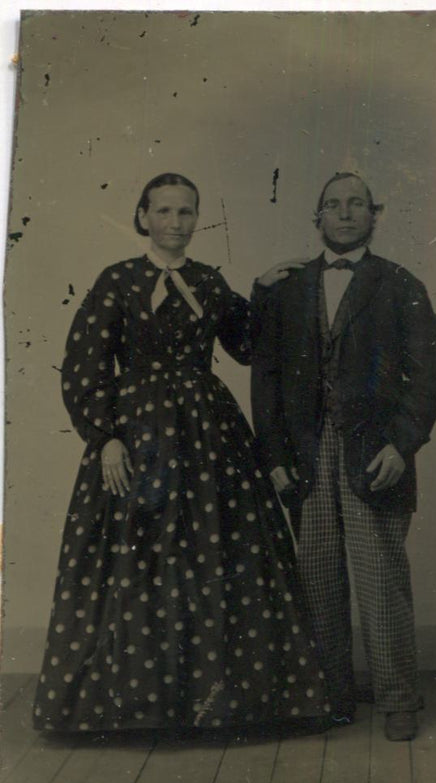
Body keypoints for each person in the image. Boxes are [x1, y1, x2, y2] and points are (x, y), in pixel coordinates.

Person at [33, 172, 330, 734]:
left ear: (197, 219)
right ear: (143, 216)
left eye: (186, 212)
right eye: (164, 212)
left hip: (209, 435)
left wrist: (262, 292)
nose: (175, 223)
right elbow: (82, 367)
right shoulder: (117, 281)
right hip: (138, 436)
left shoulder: (208, 282)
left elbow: (247, 346)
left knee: (217, 552)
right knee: (140, 559)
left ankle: (219, 703)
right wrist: (105, 439)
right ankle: (142, 709)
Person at [251, 172, 436, 741]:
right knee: (317, 578)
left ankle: (398, 698)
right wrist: (275, 457)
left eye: (355, 204)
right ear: (317, 219)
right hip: (306, 454)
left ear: (374, 215)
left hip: (374, 455)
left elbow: (428, 383)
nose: (344, 213)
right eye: (332, 205)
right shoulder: (287, 288)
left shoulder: (400, 284)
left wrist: (400, 446)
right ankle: (330, 694)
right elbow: (265, 380)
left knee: (381, 579)